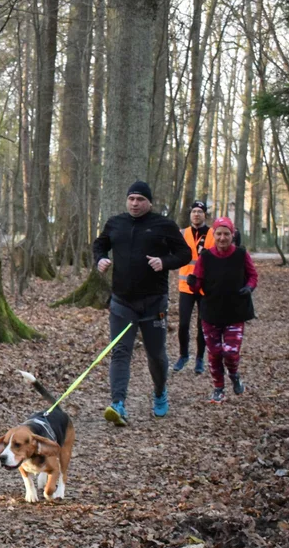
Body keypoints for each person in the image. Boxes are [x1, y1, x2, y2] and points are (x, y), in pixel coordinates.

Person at [92, 180, 192, 425]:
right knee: (120, 352)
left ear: (149, 202)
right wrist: (101, 259)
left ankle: (159, 392)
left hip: (153, 303)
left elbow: (185, 253)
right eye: (131, 199)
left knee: (156, 355)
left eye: (140, 200)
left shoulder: (164, 225)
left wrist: (164, 262)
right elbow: (100, 244)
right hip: (121, 302)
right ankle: (118, 403)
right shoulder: (116, 223)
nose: (135, 204)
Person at [186, 216, 258, 403]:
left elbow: (252, 276)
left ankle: (234, 374)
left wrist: (249, 287)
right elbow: (197, 284)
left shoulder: (241, 254)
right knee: (215, 352)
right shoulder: (206, 257)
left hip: (236, 311)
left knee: (231, 352)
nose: (222, 238)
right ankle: (218, 388)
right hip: (211, 312)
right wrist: (193, 283)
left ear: (232, 235)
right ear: (214, 235)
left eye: (226, 234)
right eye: (219, 234)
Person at [174, 200, 212, 375]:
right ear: (190, 214)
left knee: (202, 325)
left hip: (205, 287)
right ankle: (183, 355)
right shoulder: (182, 233)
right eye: (194, 211)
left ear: (205, 215)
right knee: (183, 324)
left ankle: (199, 359)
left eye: (200, 211)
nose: (196, 214)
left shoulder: (212, 234)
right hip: (186, 286)